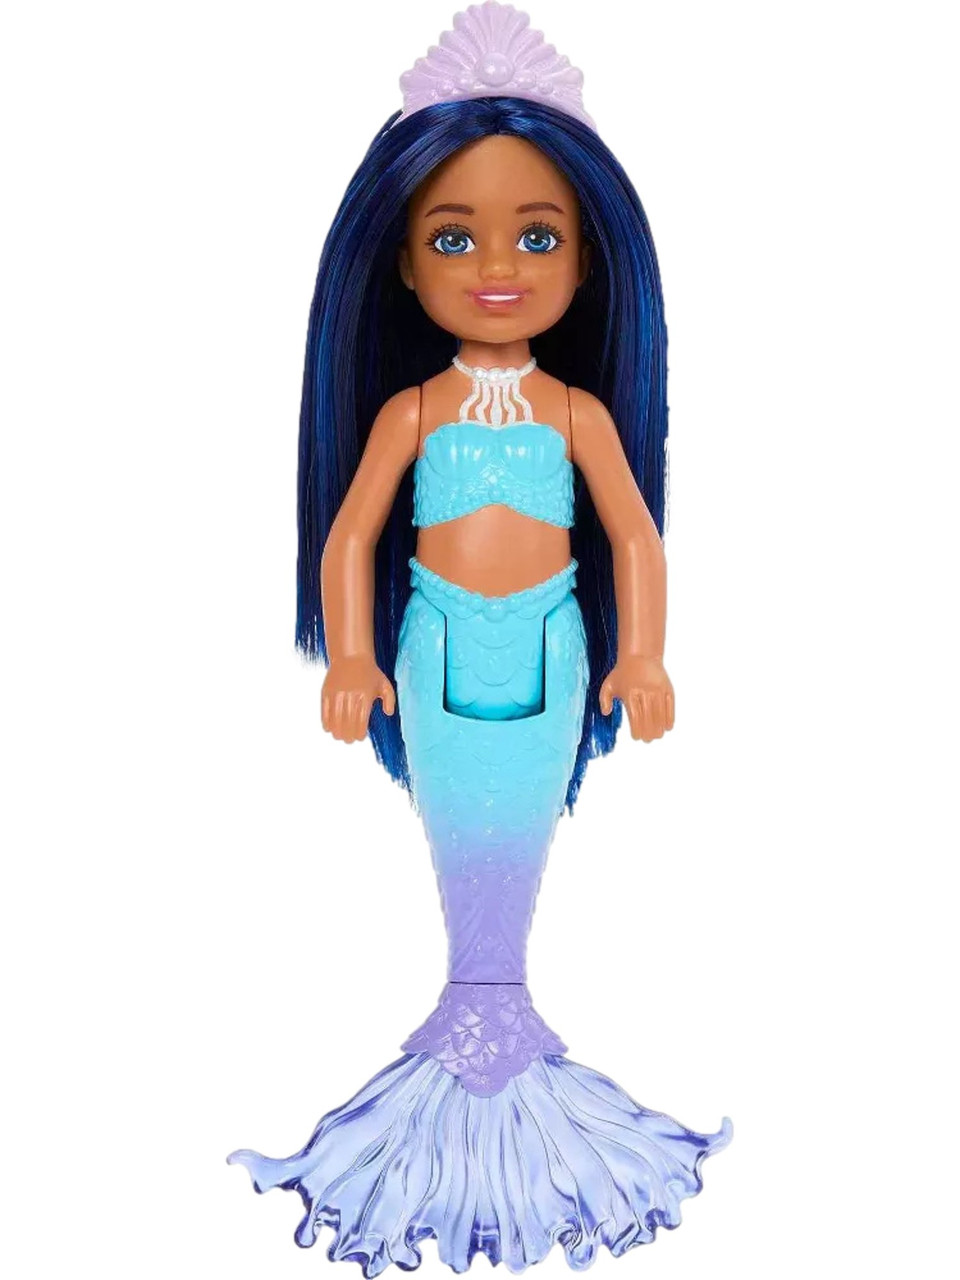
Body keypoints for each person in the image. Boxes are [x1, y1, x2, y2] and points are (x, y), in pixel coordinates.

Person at [229, 5, 730, 1273]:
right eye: (453, 237)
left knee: (517, 843)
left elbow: (635, 537)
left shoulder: (577, 411)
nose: (496, 266)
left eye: (537, 236)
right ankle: (473, 1027)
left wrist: (642, 652)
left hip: (554, 653)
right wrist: (352, 655)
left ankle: (503, 1032)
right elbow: (351, 533)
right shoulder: (407, 410)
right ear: (401, 263)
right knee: (462, 839)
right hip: (433, 654)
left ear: (587, 259)